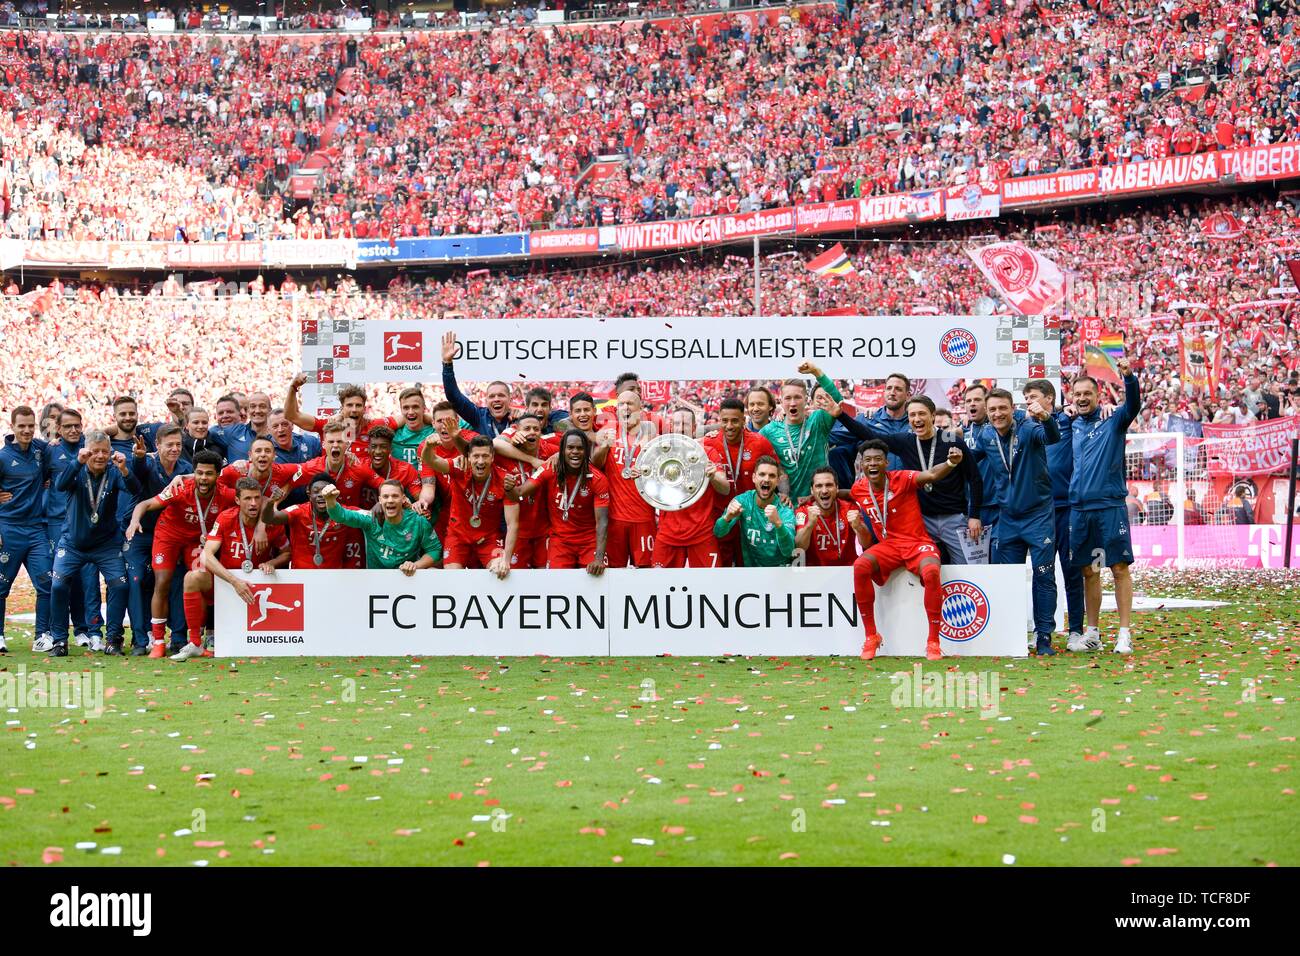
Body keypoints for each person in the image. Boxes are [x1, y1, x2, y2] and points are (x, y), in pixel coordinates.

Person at [833, 394, 983, 564]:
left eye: (922, 414)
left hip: (954, 519)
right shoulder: (906, 441)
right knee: (926, 569)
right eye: (912, 415)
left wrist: (974, 515)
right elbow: (869, 435)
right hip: (923, 521)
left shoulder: (951, 440)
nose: (917, 419)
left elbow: (975, 478)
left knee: (966, 569)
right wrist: (841, 416)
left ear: (932, 416)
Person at [850, 439, 963, 662]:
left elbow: (930, 475)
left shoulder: (902, 478)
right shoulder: (858, 489)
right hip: (889, 546)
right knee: (860, 566)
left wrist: (950, 462)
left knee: (931, 572)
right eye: (868, 460)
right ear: (861, 464)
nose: (873, 464)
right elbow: (844, 494)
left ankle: (933, 641)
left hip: (916, 542)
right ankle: (871, 636)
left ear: (886, 463)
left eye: (878, 459)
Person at [969, 388, 1061, 656]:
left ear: (1012, 409)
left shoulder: (1030, 429)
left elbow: (1053, 438)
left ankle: (1043, 636)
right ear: (987, 412)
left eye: (1003, 408)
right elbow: (971, 467)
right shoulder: (985, 435)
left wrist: (1046, 417)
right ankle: (1011, 634)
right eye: (993, 409)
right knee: (1007, 579)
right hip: (1007, 518)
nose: (998, 414)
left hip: (1038, 516)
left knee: (1044, 576)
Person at [1068, 357, 1141, 655]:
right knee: (1091, 571)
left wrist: (1129, 378)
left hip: (1109, 508)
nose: (1082, 398)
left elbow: (1133, 405)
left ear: (1098, 396)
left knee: (1119, 567)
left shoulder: (1113, 423)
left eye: (1088, 394)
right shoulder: (1071, 427)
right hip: (1080, 511)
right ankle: (1093, 633)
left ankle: (1124, 634)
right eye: (1078, 395)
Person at [127, 449, 229, 658]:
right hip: (169, 535)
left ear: (217, 475)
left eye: (208, 473)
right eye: (199, 473)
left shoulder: (226, 494)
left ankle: (196, 640)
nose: (203, 478)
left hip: (196, 541)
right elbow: (145, 504)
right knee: (162, 581)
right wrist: (134, 521)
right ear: (194, 473)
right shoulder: (181, 488)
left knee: (200, 581)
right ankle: (158, 642)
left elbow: (250, 502)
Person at [48, 431, 140, 657]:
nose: (99, 456)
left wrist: (125, 469)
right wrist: (77, 462)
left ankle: (113, 639)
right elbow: (60, 485)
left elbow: (135, 490)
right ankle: (60, 640)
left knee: (119, 585)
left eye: (104, 451)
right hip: (72, 544)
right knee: (58, 586)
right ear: (85, 450)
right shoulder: (76, 469)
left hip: (106, 545)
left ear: (110, 453)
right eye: (95, 451)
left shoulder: (114, 472)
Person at [177, 476, 289, 661]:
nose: (253, 504)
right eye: (247, 499)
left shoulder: (271, 523)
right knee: (192, 577)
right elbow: (206, 555)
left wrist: (272, 563)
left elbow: (287, 553)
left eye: (256, 498)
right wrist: (234, 581)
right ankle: (195, 643)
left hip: (257, 588)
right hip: (227, 583)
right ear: (237, 500)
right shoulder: (226, 517)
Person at [1022, 379, 1085, 649]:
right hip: (1037, 511)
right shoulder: (1023, 425)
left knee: (1072, 571)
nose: (1028, 402)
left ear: (1049, 398)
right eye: (1025, 398)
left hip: (1066, 508)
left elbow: (1091, 412)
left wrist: (1069, 409)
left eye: (1033, 396)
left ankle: (1076, 631)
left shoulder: (1068, 420)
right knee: (1042, 573)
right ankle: (1041, 630)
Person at [123, 423, 192, 655]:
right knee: (136, 579)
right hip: (142, 531)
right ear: (158, 445)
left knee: (178, 580)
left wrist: (186, 475)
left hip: (173, 535)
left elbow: (203, 477)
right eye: (169, 444)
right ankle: (140, 640)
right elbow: (139, 472)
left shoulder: (185, 467)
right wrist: (139, 458)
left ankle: (179, 638)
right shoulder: (148, 462)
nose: (174, 449)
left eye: (178, 445)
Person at [37, 409, 100, 652]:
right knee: (62, 580)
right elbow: (39, 480)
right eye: (68, 426)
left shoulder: (91, 448)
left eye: (77, 425)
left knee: (88, 580)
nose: (73, 430)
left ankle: (86, 631)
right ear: (59, 430)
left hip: (85, 523)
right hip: (56, 522)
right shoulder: (49, 451)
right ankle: (56, 632)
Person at [508, 429, 608, 574]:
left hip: (589, 541)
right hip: (560, 542)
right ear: (561, 451)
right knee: (557, 585)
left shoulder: (598, 479)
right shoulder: (549, 469)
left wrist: (599, 558)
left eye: (580, 448)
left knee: (596, 582)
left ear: (586, 452)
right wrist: (509, 488)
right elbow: (519, 494)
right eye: (570, 448)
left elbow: (603, 522)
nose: (575, 452)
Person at [422, 435, 517, 576]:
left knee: (499, 572)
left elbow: (512, 524)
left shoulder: (504, 480)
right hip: (457, 536)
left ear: (492, 457)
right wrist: (428, 447)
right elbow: (431, 460)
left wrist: (505, 560)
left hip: (488, 539)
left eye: (485, 456)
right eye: (476, 456)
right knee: (452, 578)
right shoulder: (460, 468)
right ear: (469, 457)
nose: (480, 461)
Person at [0, 406, 53, 654]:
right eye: (21, 426)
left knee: (46, 584)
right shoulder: (2, 457)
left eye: (30, 425)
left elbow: (63, 444)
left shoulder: (41, 451)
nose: (27, 430)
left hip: (36, 530)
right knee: (1, 587)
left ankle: (42, 636)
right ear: (12, 427)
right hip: (9, 529)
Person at [650, 407, 732, 568]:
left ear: (694, 428)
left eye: (686, 424)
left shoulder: (708, 453)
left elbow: (725, 489)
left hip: (702, 532)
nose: (680, 427)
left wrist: (713, 475)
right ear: (671, 426)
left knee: (711, 585)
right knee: (659, 586)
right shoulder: (658, 454)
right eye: (677, 423)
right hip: (668, 533)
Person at [701, 396, 778, 566]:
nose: (729, 426)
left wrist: (784, 493)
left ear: (744, 420)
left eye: (735, 421)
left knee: (749, 567)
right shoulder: (709, 442)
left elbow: (777, 471)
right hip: (721, 517)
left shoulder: (760, 443)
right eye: (725, 421)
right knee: (723, 569)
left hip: (750, 519)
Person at [592, 388, 657, 568]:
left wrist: (646, 470)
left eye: (630, 404)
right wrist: (604, 446)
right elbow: (596, 464)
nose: (625, 408)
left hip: (643, 517)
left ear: (640, 409)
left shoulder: (651, 434)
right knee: (614, 569)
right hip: (615, 518)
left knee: (645, 569)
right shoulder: (609, 430)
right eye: (621, 404)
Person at [760, 361, 844, 500]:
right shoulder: (769, 431)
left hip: (819, 502)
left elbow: (837, 401)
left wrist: (817, 372)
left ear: (806, 400)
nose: (792, 403)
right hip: (786, 506)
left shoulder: (818, 421)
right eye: (788, 398)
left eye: (797, 397)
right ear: (781, 401)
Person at [323, 478, 442, 572]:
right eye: (386, 496)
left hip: (407, 579)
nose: (390, 500)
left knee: (434, 571)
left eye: (395, 496)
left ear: (403, 499)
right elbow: (341, 515)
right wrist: (330, 500)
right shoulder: (370, 519)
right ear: (380, 500)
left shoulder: (418, 521)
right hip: (375, 582)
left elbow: (435, 550)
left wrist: (415, 565)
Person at [488, 414, 556, 570]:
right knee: (515, 580)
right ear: (516, 431)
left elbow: (570, 447)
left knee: (546, 581)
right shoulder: (506, 454)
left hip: (544, 532)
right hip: (517, 533)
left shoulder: (547, 450)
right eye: (527, 429)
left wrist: (559, 455)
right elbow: (493, 444)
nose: (532, 432)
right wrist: (531, 460)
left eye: (536, 429)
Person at [829, 372, 911, 487]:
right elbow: (834, 437)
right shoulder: (867, 419)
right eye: (889, 388)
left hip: (908, 491)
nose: (892, 393)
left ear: (908, 395)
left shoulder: (915, 422)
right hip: (875, 494)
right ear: (884, 392)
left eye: (898, 389)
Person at [712, 455, 795, 567]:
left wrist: (778, 524)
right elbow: (718, 533)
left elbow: (789, 551)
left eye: (772, 476)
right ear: (754, 478)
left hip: (780, 572)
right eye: (762, 474)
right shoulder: (743, 501)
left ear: (777, 482)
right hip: (752, 573)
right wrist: (727, 518)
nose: (766, 479)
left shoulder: (784, 508)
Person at [260, 477, 351, 569]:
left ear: (334, 493)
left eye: (325, 492)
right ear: (309, 494)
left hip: (335, 576)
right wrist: (271, 503)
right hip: (301, 577)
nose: (321, 495)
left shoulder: (345, 513)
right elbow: (269, 519)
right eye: (316, 491)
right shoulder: (298, 511)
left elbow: (365, 516)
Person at [440, 331, 516, 437]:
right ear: (486, 401)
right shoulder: (478, 416)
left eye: (501, 395)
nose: (496, 399)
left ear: (510, 399)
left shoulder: (520, 418)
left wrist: (523, 414)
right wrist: (447, 364)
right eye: (492, 396)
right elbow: (453, 396)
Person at [795, 467, 868, 566]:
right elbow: (799, 548)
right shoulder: (803, 511)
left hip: (846, 571)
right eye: (819, 486)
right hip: (815, 573)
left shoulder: (849, 508)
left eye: (829, 485)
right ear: (812, 490)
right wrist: (810, 525)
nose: (824, 491)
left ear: (837, 488)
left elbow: (867, 544)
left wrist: (858, 527)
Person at [963, 383, 999, 555]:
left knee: (998, 557)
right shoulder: (960, 432)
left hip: (998, 504)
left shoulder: (1000, 428)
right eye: (968, 400)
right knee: (976, 561)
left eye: (977, 399)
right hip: (972, 507)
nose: (972, 404)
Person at [210, 391, 273, 462]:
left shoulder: (278, 435)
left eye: (262, 406)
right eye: (253, 406)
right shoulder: (234, 431)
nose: (257, 410)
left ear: (270, 410)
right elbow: (207, 432)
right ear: (249, 410)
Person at [391, 387, 434, 467]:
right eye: (406, 408)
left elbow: (456, 425)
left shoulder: (435, 432)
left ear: (424, 408)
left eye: (415, 407)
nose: (410, 412)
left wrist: (433, 419)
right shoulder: (392, 434)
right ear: (401, 410)